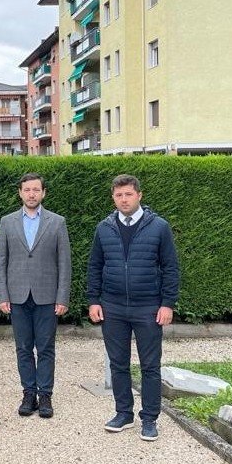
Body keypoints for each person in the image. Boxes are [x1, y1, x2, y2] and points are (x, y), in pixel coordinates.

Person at [87, 174, 179, 442]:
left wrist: (167, 304)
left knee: (150, 365)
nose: (123, 199)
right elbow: (95, 266)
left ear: (139, 195)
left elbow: (170, 268)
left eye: (128, 194)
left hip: (148, 307)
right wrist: (94, 300)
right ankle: (123, 413)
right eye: (118, 195)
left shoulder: (159, 227)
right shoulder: (104, 228)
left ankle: (149, 418)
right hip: (113, 307)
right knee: (118, 364)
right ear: (113, 197)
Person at [0, 172, 71, 418]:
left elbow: (64, 263)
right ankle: (29, 393)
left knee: (46, 348)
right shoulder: (7, 222)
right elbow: (1, 262)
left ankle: (45, 395)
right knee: (23, 348)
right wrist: (2, 295)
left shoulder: (57, 222)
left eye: (36, 190)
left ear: (43, 193)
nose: (31, 194)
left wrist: (62, 297)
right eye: (27, 190)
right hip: (17, 296)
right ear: (20, 192)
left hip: (47, 296)